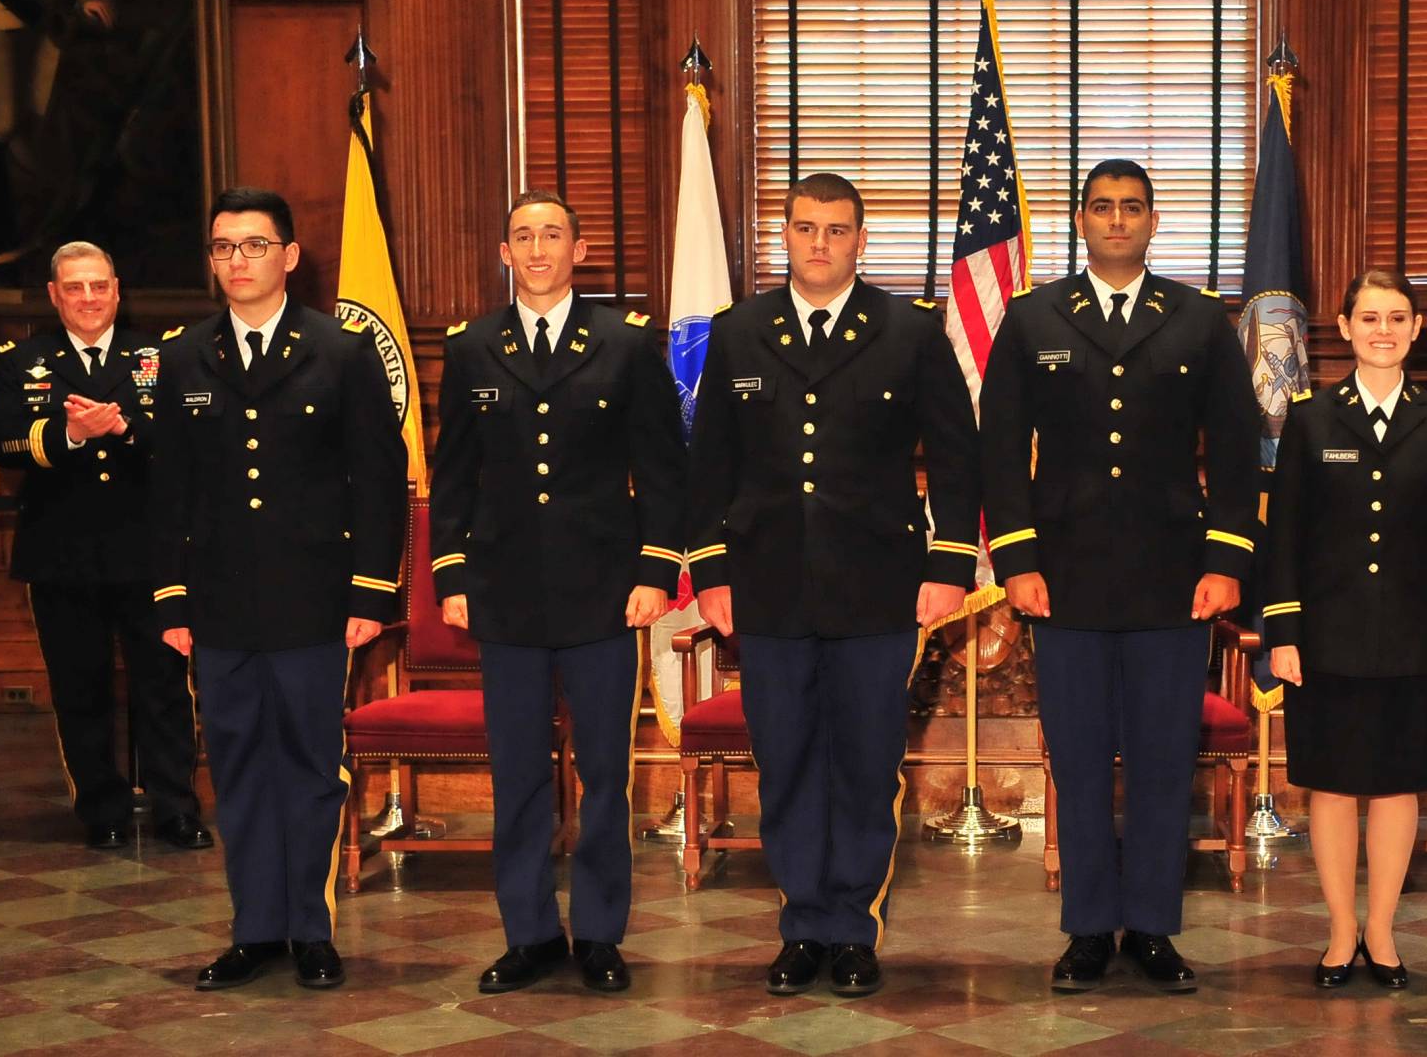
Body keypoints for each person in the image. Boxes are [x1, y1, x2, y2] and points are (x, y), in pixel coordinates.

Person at [686, 172, 979, 998]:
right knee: (784, 763)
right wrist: (711, 573)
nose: (821, 243)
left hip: (877, 586)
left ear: (861, 239)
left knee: (863, 763)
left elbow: (957, 456)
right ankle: (801, 924)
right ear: (784, 233)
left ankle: (853, 927)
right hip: (767, 586)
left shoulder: (907, 332)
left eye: (837, 230)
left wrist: (948, 565)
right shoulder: (740, 330)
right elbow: (708, 466)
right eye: (806, 228)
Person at [980, 159, 1263, 994]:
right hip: (1062, 577)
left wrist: (1225, 563)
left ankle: (1152, 927)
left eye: (1131, 208)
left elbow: (1238, 452)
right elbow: (1001, 451)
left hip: (1173, 577)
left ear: (1152, 219)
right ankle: (1086, 931)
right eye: (1101, 208)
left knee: (1162, 756)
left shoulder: (1200, 320)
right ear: (1079, 219)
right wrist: (1020, 562)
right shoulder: (1034, 319)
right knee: (1076, 755)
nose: (1116, 221)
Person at [430, 189, 687, 995]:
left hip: (605, 592)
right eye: (522, 237)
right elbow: (454, 476)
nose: (537, 249)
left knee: (606, 771)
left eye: (552, 235)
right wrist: (451, 576)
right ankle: (530, 933)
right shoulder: (472, 347)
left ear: (580, 252)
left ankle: (601, 935)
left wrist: (654, 572)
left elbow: (662, 469)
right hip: (505, 593)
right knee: (519, 773)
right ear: (503, 254)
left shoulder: (624, 342)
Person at [152, 187, 406, 992]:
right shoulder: (186, 355)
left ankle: (309, 926)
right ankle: (253, 928)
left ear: (290, 257)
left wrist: (369, 593)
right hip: (220, 603)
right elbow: (168, 487)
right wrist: (171, 599)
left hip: (314, 599)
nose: (237, 262)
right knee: (234, 765)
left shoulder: (340, 351)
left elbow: (379, 479)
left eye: (253, 246)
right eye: (223, 248)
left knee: (307, 765)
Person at [1263, 269, 1427, 990]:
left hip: (1414, 644)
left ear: (1416, 330)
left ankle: (1380, 931)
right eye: (1369, 317)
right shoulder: (1312, 418)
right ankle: (1338, 930)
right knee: (1331, 784)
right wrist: (1283, 632)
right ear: (1345, 328)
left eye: (1397, 318)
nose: (1383, 330)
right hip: (1325, 641)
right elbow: (1283, 536)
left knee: (1395, 786)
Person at [0, 240, 209, 852]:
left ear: (117, 290)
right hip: (62, 555)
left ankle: (175, 809)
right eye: (75, 288)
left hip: (149, 553)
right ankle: (102, 810)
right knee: (78, 688)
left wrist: (124, 427)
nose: (89, 298)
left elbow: (190, 442)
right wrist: (69, 435)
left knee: (163, 686)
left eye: (99, 286)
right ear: (55, 295)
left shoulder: (157, 356)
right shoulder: (22, 360)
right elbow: (1, 443)